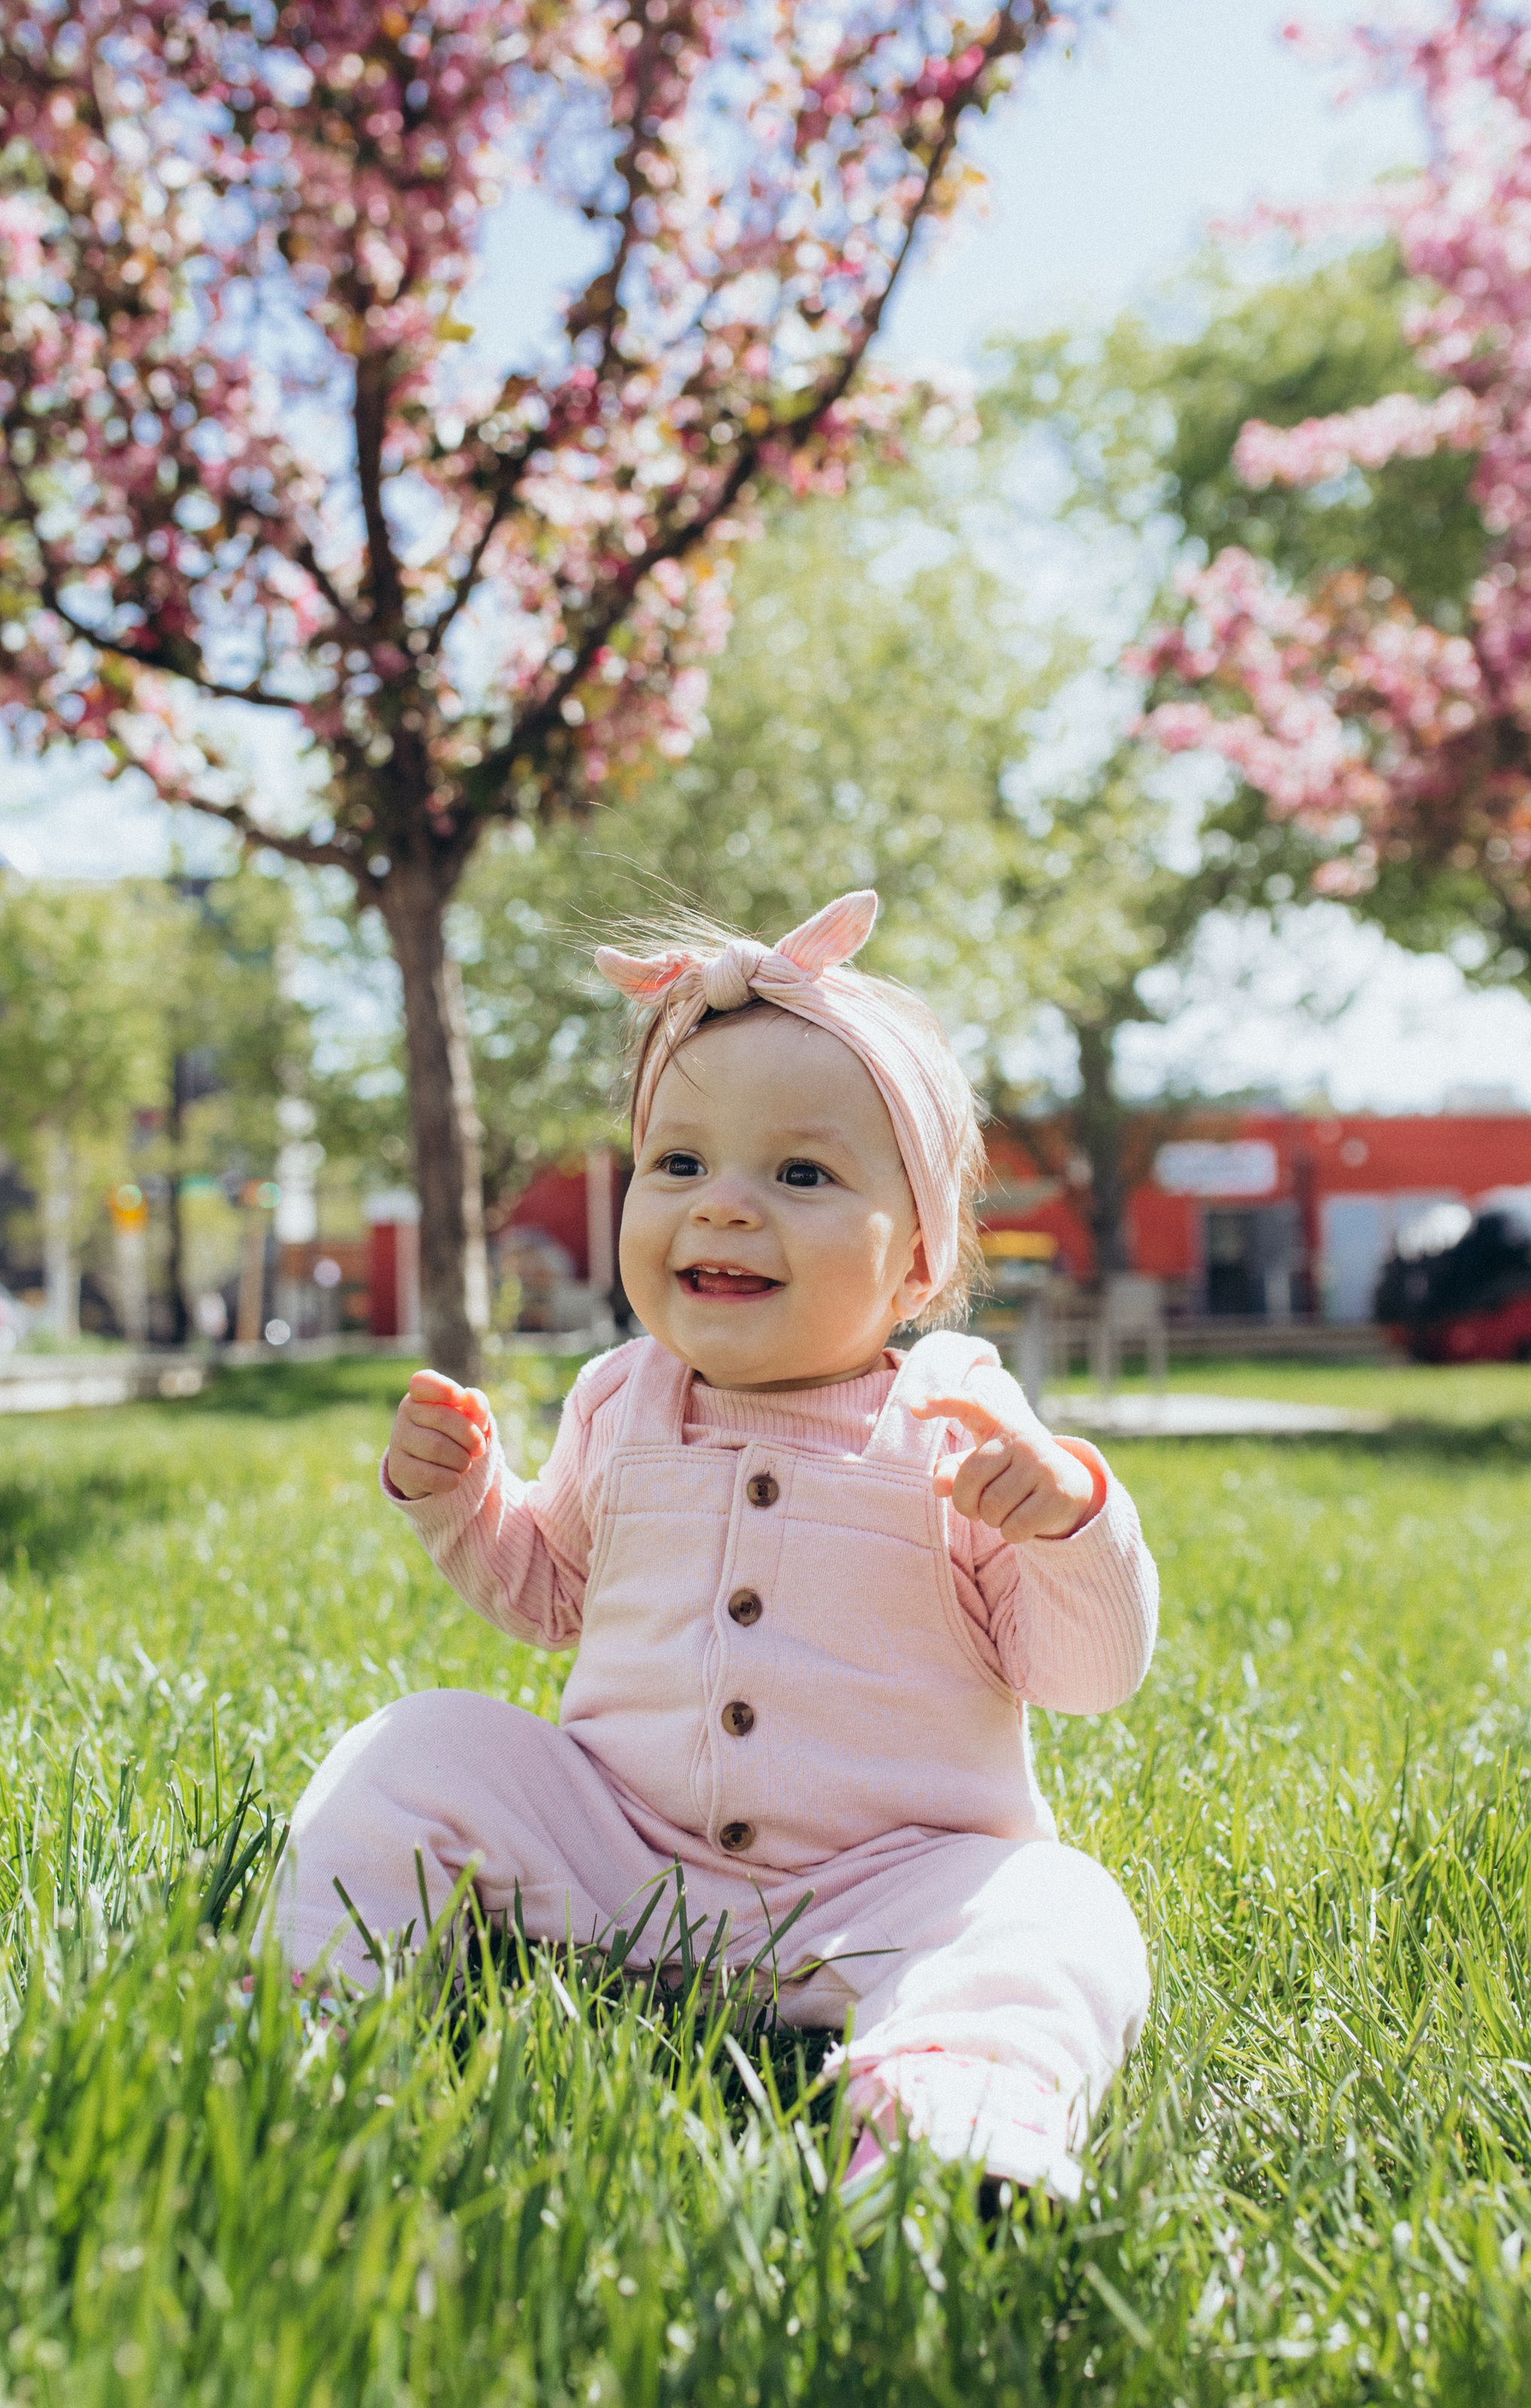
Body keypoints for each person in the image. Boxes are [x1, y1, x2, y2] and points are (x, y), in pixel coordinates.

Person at [272, 891, 1156, 2205]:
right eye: (678, 1164)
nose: (723, 1209)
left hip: (888, 1889)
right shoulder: (620, 1401)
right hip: (620, 1861)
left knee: (1060, 1909)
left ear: (919, 1262)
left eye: (800, 1175)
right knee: (415, 1746)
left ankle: (951, 2114)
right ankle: (310, 2016)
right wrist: (464, 1501)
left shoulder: (955, 1422)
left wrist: (1069, 1525)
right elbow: (553, 1593)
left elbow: (1085, 1674)